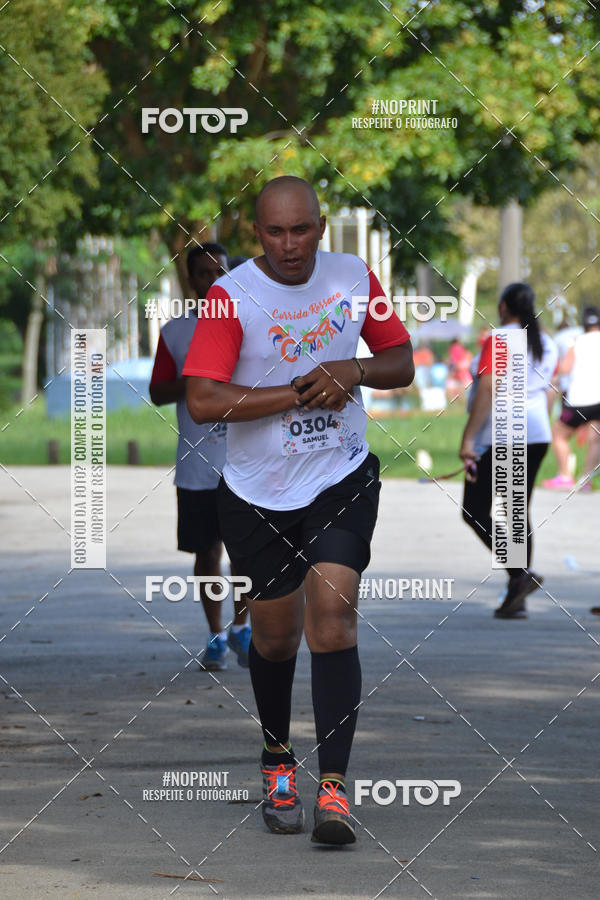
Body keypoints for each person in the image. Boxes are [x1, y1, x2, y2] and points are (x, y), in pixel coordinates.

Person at [183, 176, 414, 845]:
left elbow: (400, 360)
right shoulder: (231, 298)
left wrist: (355, 372)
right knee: (276, 636)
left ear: (322, 225)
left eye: (303, 230)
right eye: (275, 232)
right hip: (257, 492)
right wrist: (296, 393)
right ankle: (278, 760)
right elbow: (201, 400)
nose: (290, 246)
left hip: (340, 474)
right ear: (257, 233)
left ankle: (335, 790)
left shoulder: (352, 277)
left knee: (334, 618)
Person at [149, 243, 251, 670]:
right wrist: (195, 379)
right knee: (207, 552)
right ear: (191, 281)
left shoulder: (250, 324)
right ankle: (215, 636)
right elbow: (158, 391)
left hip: (250, 462)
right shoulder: (176, 332)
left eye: (220, 271)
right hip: (198, 466)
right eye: (204, 274)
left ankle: (244, 629)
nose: (213, 281)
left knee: (248, 552)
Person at [459, 283, 558, 619]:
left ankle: (519, 576)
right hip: (536, 432)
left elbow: (488, 388)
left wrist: (468, 439)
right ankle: (518, 593)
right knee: (516, 512)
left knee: (473, 510)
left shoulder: (499, 338)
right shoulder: (547, 342)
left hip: (504, 434)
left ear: (503, 307)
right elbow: (546, 391)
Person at [542, 306, 600, 492]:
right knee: (596, 439)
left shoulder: (577, 341)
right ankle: (586, 480)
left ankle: (565, 475)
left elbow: (565, 368)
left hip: (579, 400)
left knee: (559, 434)